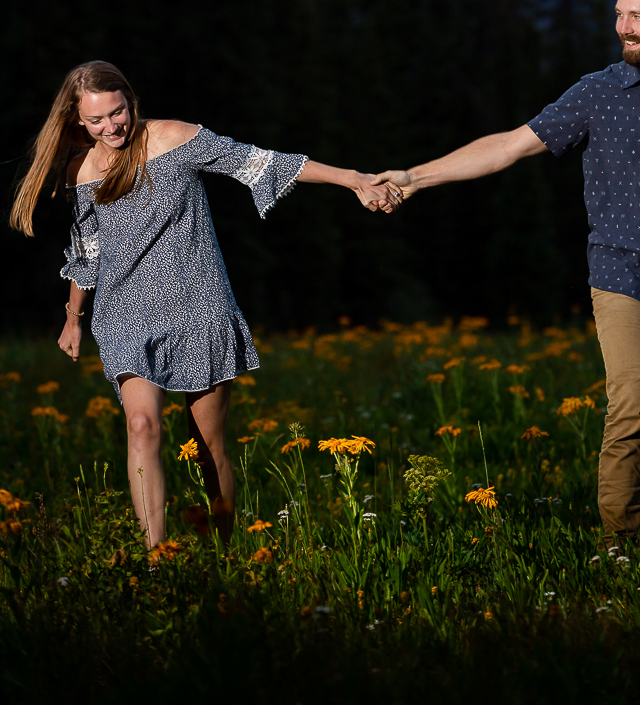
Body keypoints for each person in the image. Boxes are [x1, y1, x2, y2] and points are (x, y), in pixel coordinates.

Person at [373, 0, 640, 548]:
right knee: (631, 406)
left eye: (637, 15)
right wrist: (415, 178)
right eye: (618, 13)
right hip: (620, 276)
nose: (623, 26)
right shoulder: (596, 93)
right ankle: (619, 547)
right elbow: (507, 147)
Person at [11, 60, 400, 548]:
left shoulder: (176, 137)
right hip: (125, 310)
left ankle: (222, 553)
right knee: (141, 425)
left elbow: (261, 162)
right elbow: (88, 250)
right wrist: (73, 318)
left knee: (207, 445)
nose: (112, 126)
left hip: (199, 303)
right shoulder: (79, 170)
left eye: (118, 112)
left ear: (130, 101)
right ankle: (156, 562)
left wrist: (353, 179)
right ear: (77, 121)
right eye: (97, 120)